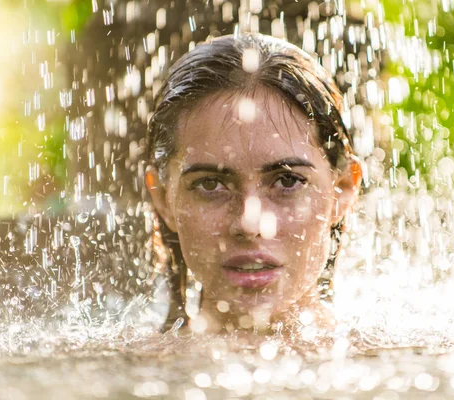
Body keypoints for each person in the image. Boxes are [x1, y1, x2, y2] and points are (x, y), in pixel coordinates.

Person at [144, 33, 362, 339]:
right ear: (163, 197)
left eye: (288, 181)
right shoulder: (116, 372)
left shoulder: (405, 369)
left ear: (342, 189)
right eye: (210, 184)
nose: (249, 224)